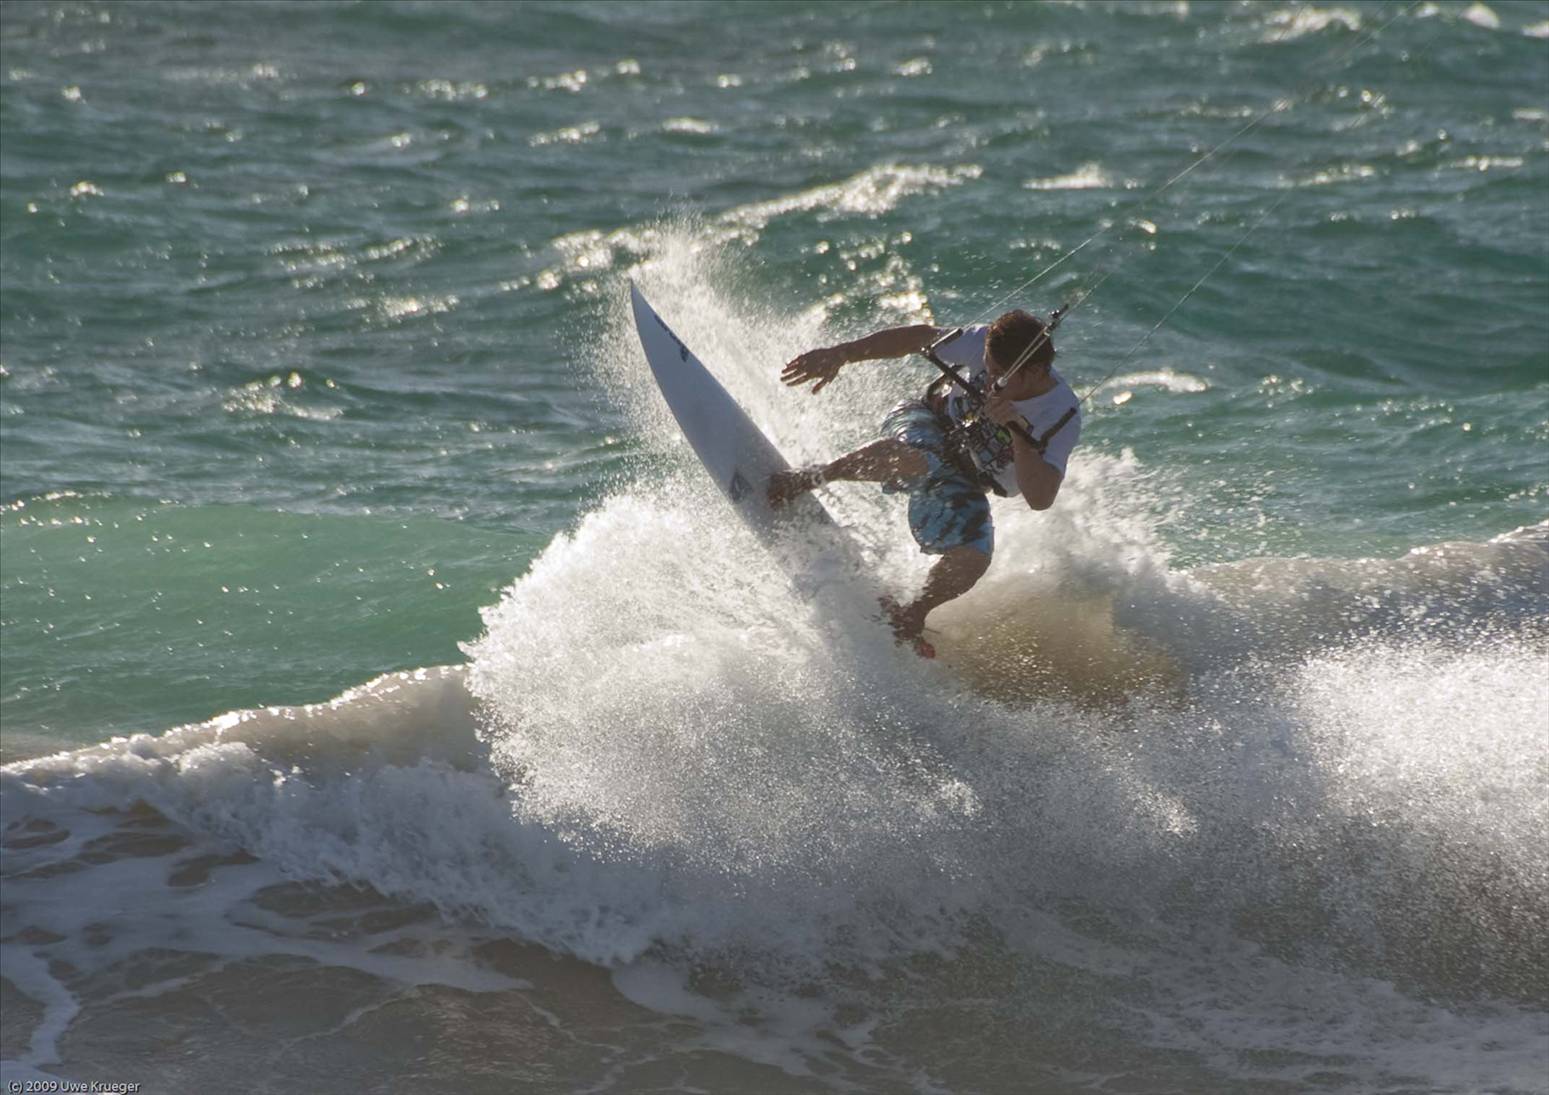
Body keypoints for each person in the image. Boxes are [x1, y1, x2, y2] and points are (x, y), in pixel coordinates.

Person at [768, 310, 1082, 648]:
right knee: (923, 458)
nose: (989, 382)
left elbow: (1041, 498)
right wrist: (840, 354)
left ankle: (911, 615)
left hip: (963, 478)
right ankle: (813, 476)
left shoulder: (1061, 414)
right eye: (987, 371)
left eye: (999, 377)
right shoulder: (982, 341)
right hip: (925, 422)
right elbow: (916, 338)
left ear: (1035, 372)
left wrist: (1018, 433)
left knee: (976, 556)